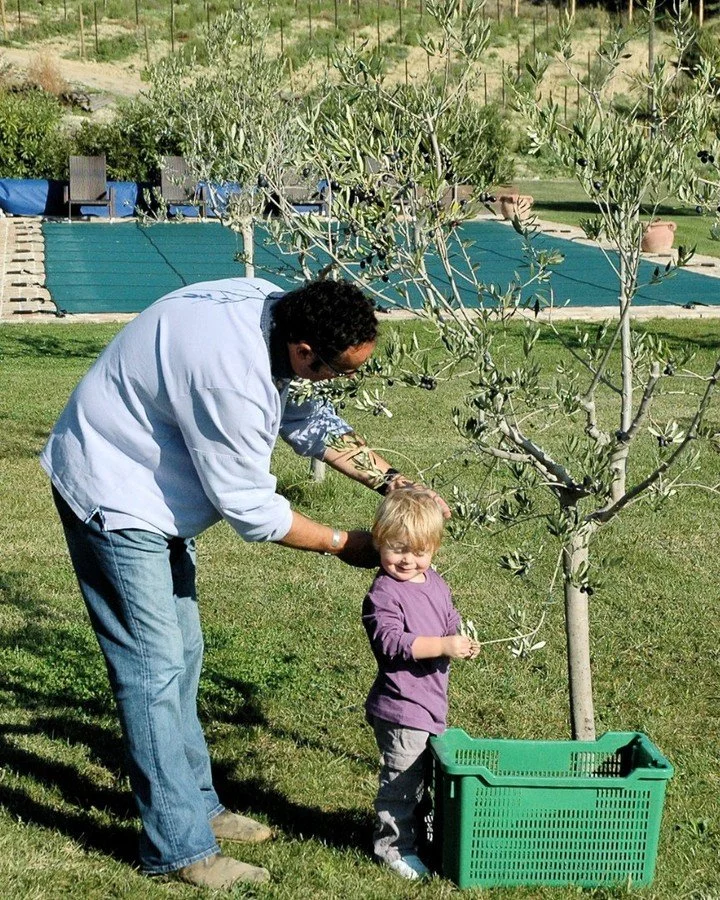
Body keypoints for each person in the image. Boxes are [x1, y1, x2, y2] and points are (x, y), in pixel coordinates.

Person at [41, 276, 449, 891]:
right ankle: (178, 849)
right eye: (338, 371)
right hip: (114, 491)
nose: (340, 383)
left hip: (154, 487)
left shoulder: (276, 308)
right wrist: (346, 544)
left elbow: (308, 417)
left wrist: (392, 482)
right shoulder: (229, 377)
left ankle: (198, 805)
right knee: (152, 673)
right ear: (305, 351)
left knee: (182, 653)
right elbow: (255, 512)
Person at [362, 487, 479, 881]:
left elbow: (448, 614)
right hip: (400, 706)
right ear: (379, 539)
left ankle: (419, 835)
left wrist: (457, 637)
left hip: (429, 701)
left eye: (420, 552)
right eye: (397, 549)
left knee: (423, 776)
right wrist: (443, 645)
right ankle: (393, 848)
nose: (408, 560)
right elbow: (392, 644)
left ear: (434, 550)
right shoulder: (383, 594)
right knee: (402, 781)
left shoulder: (433, 581)